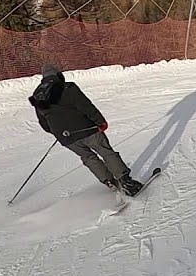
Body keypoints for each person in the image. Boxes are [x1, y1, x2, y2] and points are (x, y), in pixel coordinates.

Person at [29, 64, 143, 195]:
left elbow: (43, 122)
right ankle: (127, 183)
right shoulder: (68, 87)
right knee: (106, 152)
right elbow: (86, 106)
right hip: (87, 129)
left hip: (66, 138)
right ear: (59, 75)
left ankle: (110, 182)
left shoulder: (37, 95)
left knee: (88, 158)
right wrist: (100, 122)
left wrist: (58, 132)